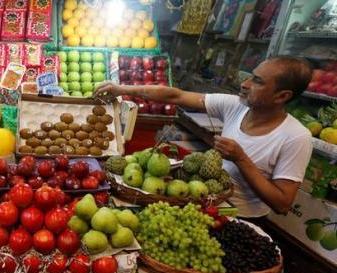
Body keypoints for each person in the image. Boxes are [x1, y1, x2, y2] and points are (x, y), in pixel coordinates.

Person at [94, 56, 313, 219]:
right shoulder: (235, 107)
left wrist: (241, 159)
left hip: (241, 218)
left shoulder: (295, 137)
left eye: (257, 81)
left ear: (282, 96)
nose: (245, 84)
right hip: (204, 203)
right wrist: (120, 88)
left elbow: (282, 203)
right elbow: (176, 95)